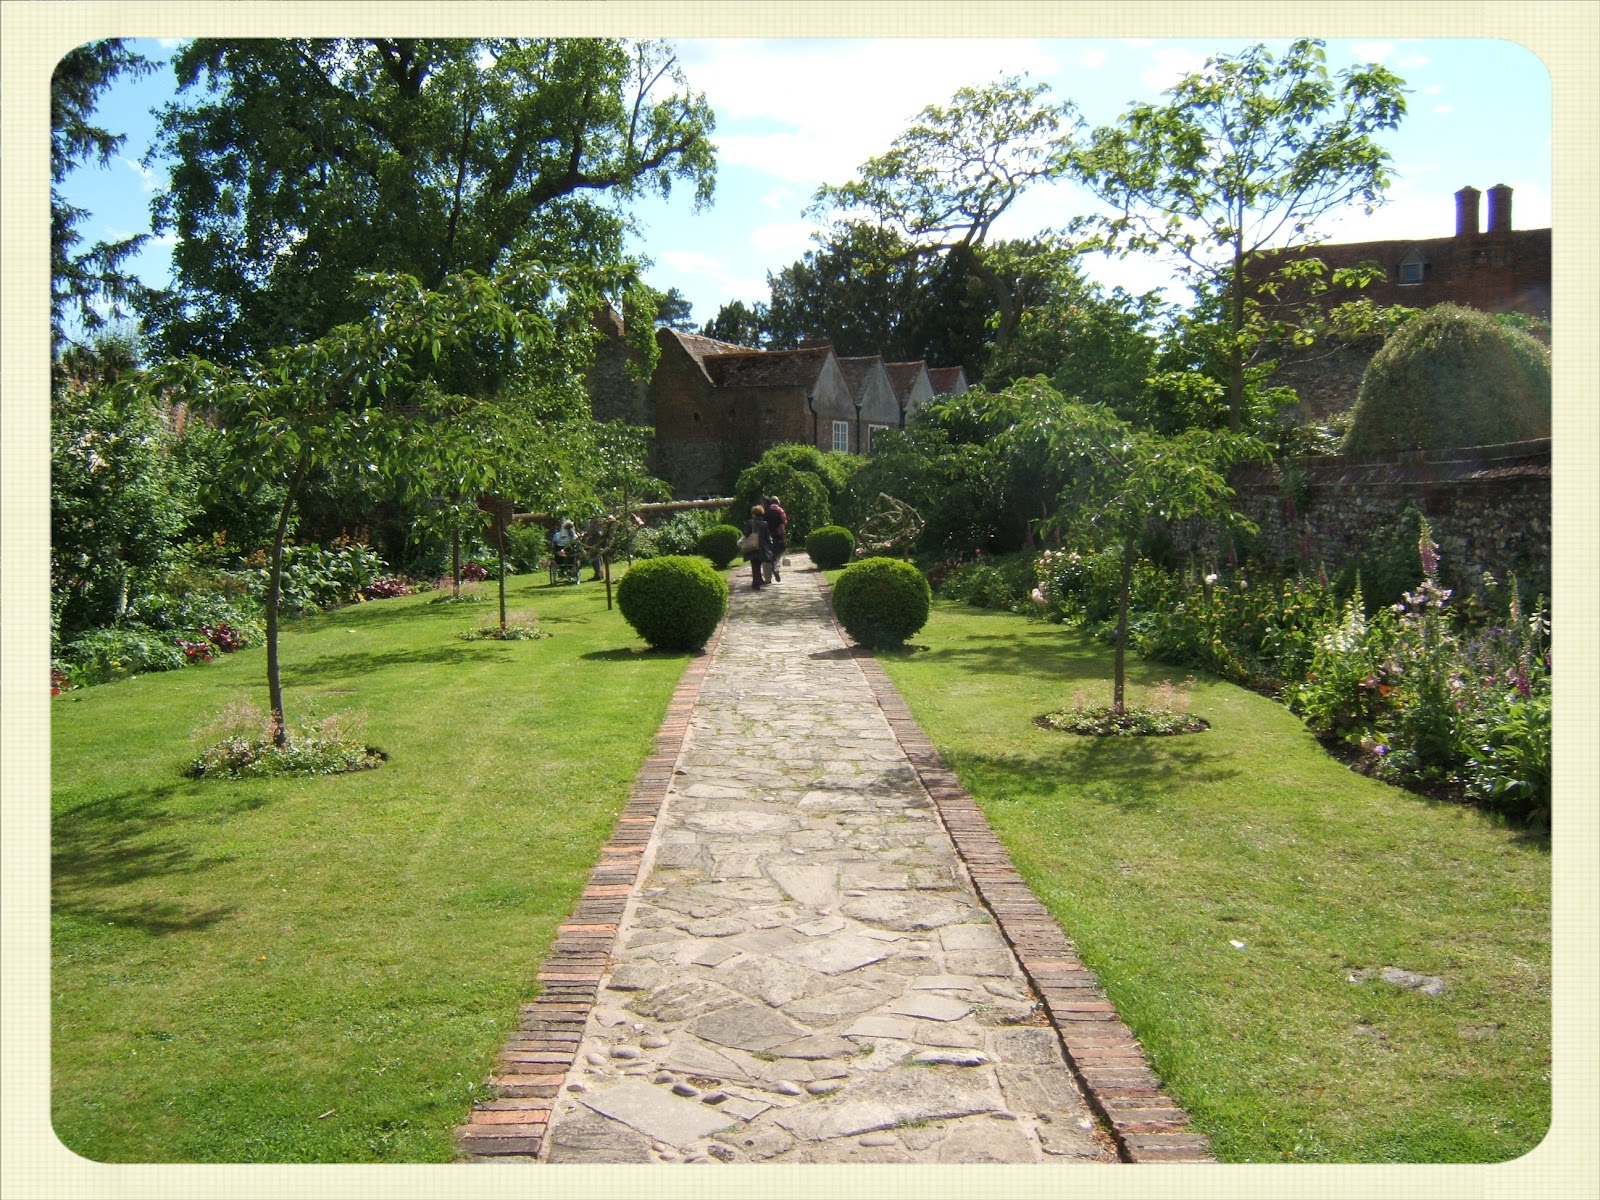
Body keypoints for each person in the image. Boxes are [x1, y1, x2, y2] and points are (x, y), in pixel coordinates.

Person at [743, 504, 772, 590]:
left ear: (753, 514)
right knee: (759, 564)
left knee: (754, 565)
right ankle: (759, 580)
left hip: (753, 547)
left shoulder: (750, 523)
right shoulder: (764, 524)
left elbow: (746, 534)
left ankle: (756, 583)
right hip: (762, 547)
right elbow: (767, 536)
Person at [762, 495, 788, 583]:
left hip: (766, 538)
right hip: (776, 537)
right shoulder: (778, 513)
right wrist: (784, 538)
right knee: (777, 554)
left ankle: (767, 578)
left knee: (767, 558)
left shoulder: (764, 513)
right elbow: (781, 527)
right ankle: (776, 568)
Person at [552, 518, 581, 584]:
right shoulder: (574, 536)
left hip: (560, 557)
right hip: (570, 557)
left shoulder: (557, 535)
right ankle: (571, 572)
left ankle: (563, 571)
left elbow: (553, 544)